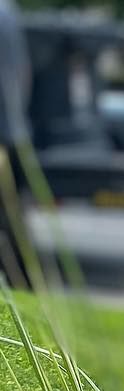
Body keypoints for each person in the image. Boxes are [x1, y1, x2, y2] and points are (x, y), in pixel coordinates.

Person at [0, 0, 32, 283]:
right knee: (12, 210)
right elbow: (23, 72)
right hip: (13, 129)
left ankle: (19, 277)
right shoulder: (7, 10)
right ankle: (22, 277)